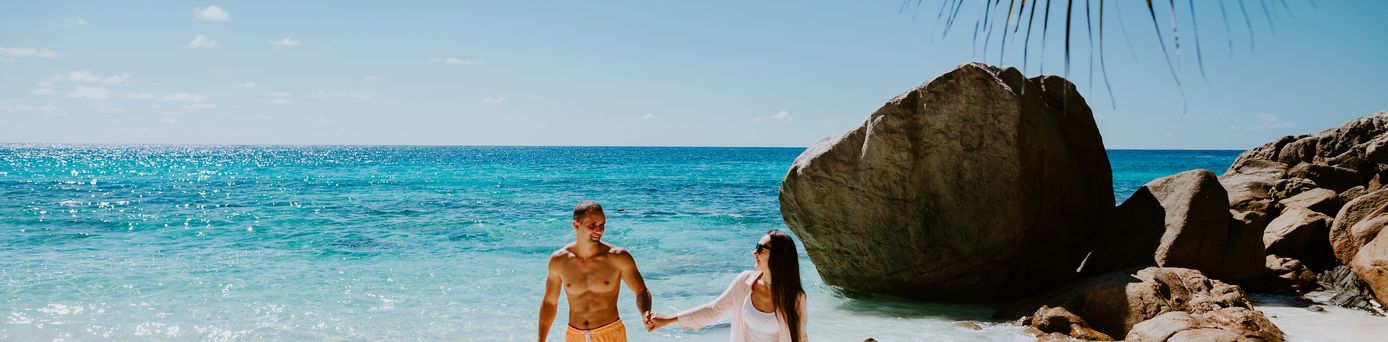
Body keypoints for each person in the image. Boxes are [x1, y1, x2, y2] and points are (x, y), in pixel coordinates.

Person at [647, 230, 808, 342]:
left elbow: (800, 337)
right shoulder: (744, 282)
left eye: (761, 248)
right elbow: (713, 310)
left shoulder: (796, 297)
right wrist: (670, 319)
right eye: (756, 246)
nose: (754, 252)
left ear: (778, 257)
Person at [538, 200, 654, 342]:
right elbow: (550, 303)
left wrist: (645, 312)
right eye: (592, 226)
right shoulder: (559, 261)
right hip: (575, 336)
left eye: (602, 225)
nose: (599, 231)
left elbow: (641, 291)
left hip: (610, 334)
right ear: (576, 225)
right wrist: (541, 339)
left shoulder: (618, 257)